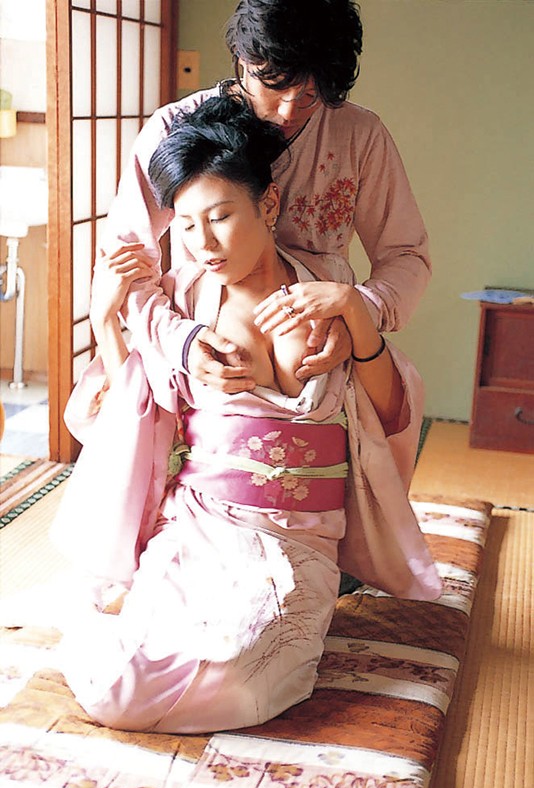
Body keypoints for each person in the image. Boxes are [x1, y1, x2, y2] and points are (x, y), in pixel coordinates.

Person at [51, 94, 441, 735]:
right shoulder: (182, 306)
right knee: (117, 687)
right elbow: (135, 414)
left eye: (221, 217)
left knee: (236, 673)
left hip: (298, 544)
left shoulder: (325, 291)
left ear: (269, 204)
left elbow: (391, 410)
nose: (203, 243)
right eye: (185, 225)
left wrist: (355, 312)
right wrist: (105, 322)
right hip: (197, 528)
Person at [101, 0, 431, 395]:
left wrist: (360, 315)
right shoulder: (174, 129)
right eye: (274, 86)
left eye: (311, 95)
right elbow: (124, 262)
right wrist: (178, 341)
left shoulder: (359, 135)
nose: (289, 111)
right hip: (209, 358)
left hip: (319, 366)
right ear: (243, 60)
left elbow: (406, 256)